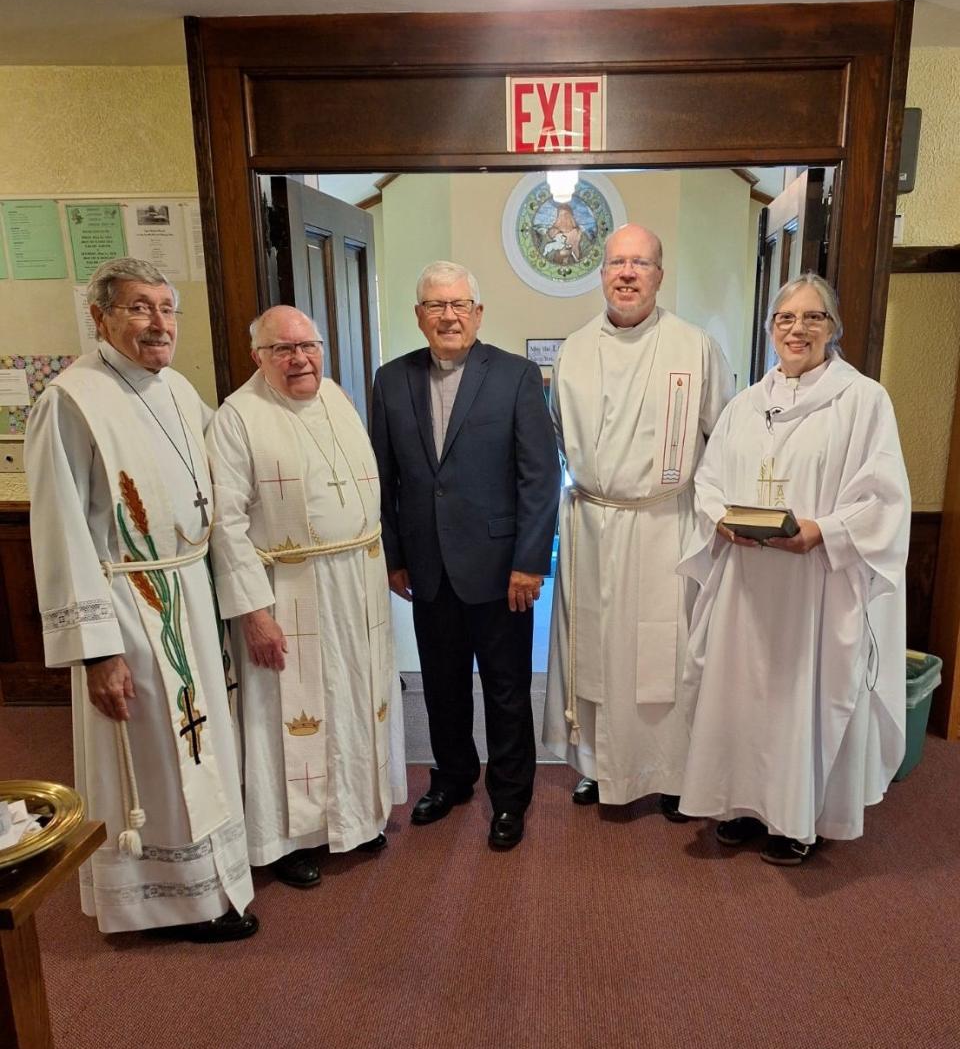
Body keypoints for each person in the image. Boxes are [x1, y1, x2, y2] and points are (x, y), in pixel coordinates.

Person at [25, 258, 257, 941]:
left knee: (202, 743)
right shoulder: (69, 401)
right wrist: (97, 652)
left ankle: (215, 879)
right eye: (138, 308)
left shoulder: (180, 391)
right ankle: (164, 902)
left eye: (166, 307)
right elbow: (63, 533)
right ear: (98, 318)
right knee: (158, 752)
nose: (159, 324)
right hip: (130, 605)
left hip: (188, 587)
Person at [677, 272, 910, 864]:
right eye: (786, 318)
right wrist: (720, 519)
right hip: (746, 582)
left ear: (833, 330)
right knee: (741, 695)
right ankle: (740, 805)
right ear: (770, 328)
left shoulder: (862, 401)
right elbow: (708, 481)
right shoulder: (745, 405)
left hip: (816, 583)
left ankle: (796, 819)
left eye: (813, 318)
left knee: (799, 698)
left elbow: (884, 498)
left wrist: (823, 531)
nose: (797, 329)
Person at [206, 305, 406, 888]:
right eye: (283, 349)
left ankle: (356, 817)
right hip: (288, 588)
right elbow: (226, 522)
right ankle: (288, 839)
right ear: (258, 357)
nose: (299, 359)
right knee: (289, 711)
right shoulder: (238, 418)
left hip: (356, 583)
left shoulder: (336, 398)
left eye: (308, 346)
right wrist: (253, 612)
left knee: (356, 693)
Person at [543, 224, 735, 812]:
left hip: (664, 525)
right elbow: (556, 433)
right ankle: (600, 768)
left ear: (660, 274)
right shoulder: (573, 350)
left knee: (664, 653)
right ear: (601, 273)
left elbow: (723, 437)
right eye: (616, 263)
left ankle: (672, 774)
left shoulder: (694, 347)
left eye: (640, 263)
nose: (627, 273)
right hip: (594, 526)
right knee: (595, 651)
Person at [371, 261, 560, 851]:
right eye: (435, 305)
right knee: (441, 683)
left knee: (505, 688)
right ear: (418, 316)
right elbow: (385, 476)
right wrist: (393, 555)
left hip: (502, 566)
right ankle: (451, 778)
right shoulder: (391, 379)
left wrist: (530, 562)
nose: (448, 315)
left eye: (459, 305)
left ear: (478, 312)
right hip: (427, 565)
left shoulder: (516, 376)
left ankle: (510, 797)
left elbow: (540, 476)